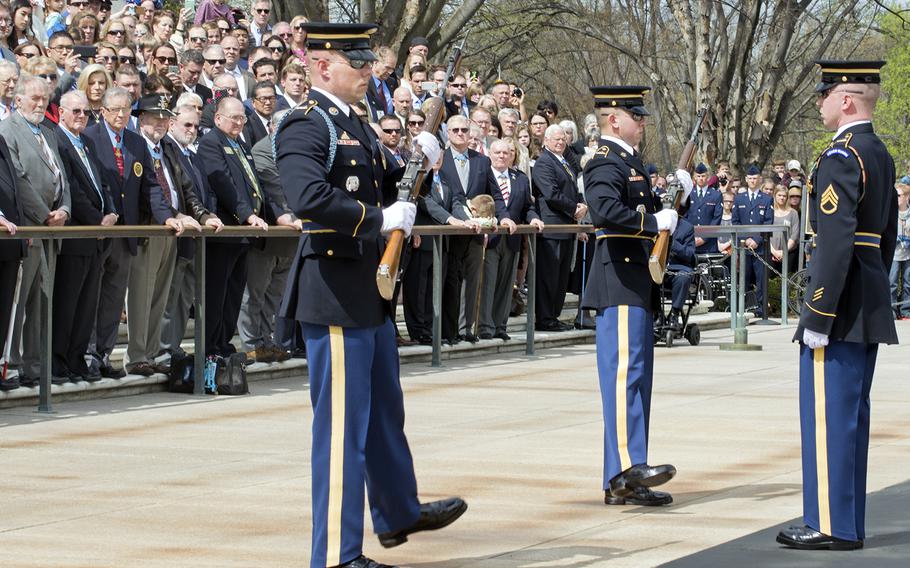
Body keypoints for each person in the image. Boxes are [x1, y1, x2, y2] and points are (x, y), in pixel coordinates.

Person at [274, 22, 467, 568]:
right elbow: (308, 198)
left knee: (384, 414)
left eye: (366, 62)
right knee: (341, 431)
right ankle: (336, 554)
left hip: (370, 291)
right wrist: (380, 217)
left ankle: (398, 511)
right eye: (355, 62)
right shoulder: (306, 125)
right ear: (320, 67)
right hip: (334, 291)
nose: (366, 70)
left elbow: (391, 182)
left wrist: (420, 157)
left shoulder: (353, 126)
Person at [776, 60, 898, 551]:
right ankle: (846, 522)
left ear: (845, 99)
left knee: (829, 419)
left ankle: (829, 524)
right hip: (864, 299)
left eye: (825, 94)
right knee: (850, 419)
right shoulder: (879, 153)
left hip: (839, 309)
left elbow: (833, 243)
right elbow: (883, 239)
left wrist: (817, 315)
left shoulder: (842, 156)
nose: (820, 103)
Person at [581, 85, 691, 507]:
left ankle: (622, 479)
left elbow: (643, 210)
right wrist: (653, 221)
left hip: (638, 284)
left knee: (637, 382)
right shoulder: (605, 161)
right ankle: (629, 466)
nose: (642, 121)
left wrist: (675, 197)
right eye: (636, 115)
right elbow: (606, 211)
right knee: (625, 378)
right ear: (614, 120)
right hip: (620, 282)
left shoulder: (631, 162)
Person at [0, 75, 71, 387]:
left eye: (45, 99)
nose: (41, 104)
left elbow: (61, 175)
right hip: (27, 227)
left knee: (42, 300)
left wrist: (65, 209)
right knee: (20, 299)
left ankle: (33, 364)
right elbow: (17, 179)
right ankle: (11, 363)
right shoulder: (7, 130)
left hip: (51, 230)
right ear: (18, 100)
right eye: (34, 99)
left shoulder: (48, 131)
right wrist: (43, 215)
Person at [52, 90, 116, 383]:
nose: (81, 116)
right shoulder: (58, 140)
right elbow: (71, 188)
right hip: (78, 233)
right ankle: (59, 362)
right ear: (62, 112)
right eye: (75, 111)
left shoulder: (87, 141)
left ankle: (77, 360)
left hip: (96, 235)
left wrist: (112, 212)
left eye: (85, 112)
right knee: (68, 302)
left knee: (87, 303)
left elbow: (102, 182)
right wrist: (96, 220)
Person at [479, 139, 543, 340]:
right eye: (497, 152)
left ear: (512, 156)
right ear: (490, 153)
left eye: (506, 153)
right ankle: (485, 327)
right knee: (488, 282)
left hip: (513, 239)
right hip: (491, 238)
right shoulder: (484, 175)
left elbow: (528, 206)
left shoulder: (521, 178)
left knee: (506, 285)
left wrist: (534, 218)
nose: (502, 156)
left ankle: (500, 325)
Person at [532, 123, 584, 332]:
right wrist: (574, 209)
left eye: (563, 139)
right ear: (546, 141)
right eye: (556, 139)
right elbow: (551, 194)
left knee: (561, 276)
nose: (560, 142)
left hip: (567, 227)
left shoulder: (564, 161)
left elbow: (571, 187)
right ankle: (545, 318)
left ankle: (554, 315)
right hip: (552, 226)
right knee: (549, 276)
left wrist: (580, 203)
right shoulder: (544, 163)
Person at [731, 164, 774, 316]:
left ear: (760, 179)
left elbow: (768, 223)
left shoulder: (767, 199)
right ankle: (744, 308)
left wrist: (756, 239)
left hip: (760, 247)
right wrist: (745, 239)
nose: (753, 181)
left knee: (761, 281)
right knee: (743, 279)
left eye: (755, 178)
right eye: (750, 178)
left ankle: (761, 310)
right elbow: (735, 222)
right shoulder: (739, 198)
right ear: (746, 179)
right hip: (743, 247)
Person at [663, 217, 695, 330]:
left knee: (683, 278)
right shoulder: (655, 222)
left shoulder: (686, 227)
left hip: (678, 268)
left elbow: (689, 254)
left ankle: (674, 314)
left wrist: (672, 243)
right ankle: (657, 315)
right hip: (658, 268)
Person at [686, 162, 722, 253]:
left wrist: (704, 238)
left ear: (708, 177)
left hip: (709, 242)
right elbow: (685, 217)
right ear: (694, 177)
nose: (701, 179)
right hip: (691, 240)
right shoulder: (688, 194)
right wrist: (690, 236)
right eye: (698, 176)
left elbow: (716, 219)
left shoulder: (716, 195)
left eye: (703, 176)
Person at [890, 183, 910, 319]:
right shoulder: (891, 213)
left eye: (898, 195)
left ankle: (905, 311)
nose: (896, 198)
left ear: (907, 197)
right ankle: (891, 310)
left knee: (908, 282)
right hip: (894, 254)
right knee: (892, 283)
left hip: (907, 253)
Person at [770, 184, 799, 273]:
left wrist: (783, 252)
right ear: (775, 195)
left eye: (784, 196)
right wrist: (774, 252)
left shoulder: (793, 213)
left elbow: (794, 234)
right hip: (771, 252)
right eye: (779, 195)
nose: (782, 198)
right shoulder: (769, 211)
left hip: (789, 253)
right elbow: (764, 234)